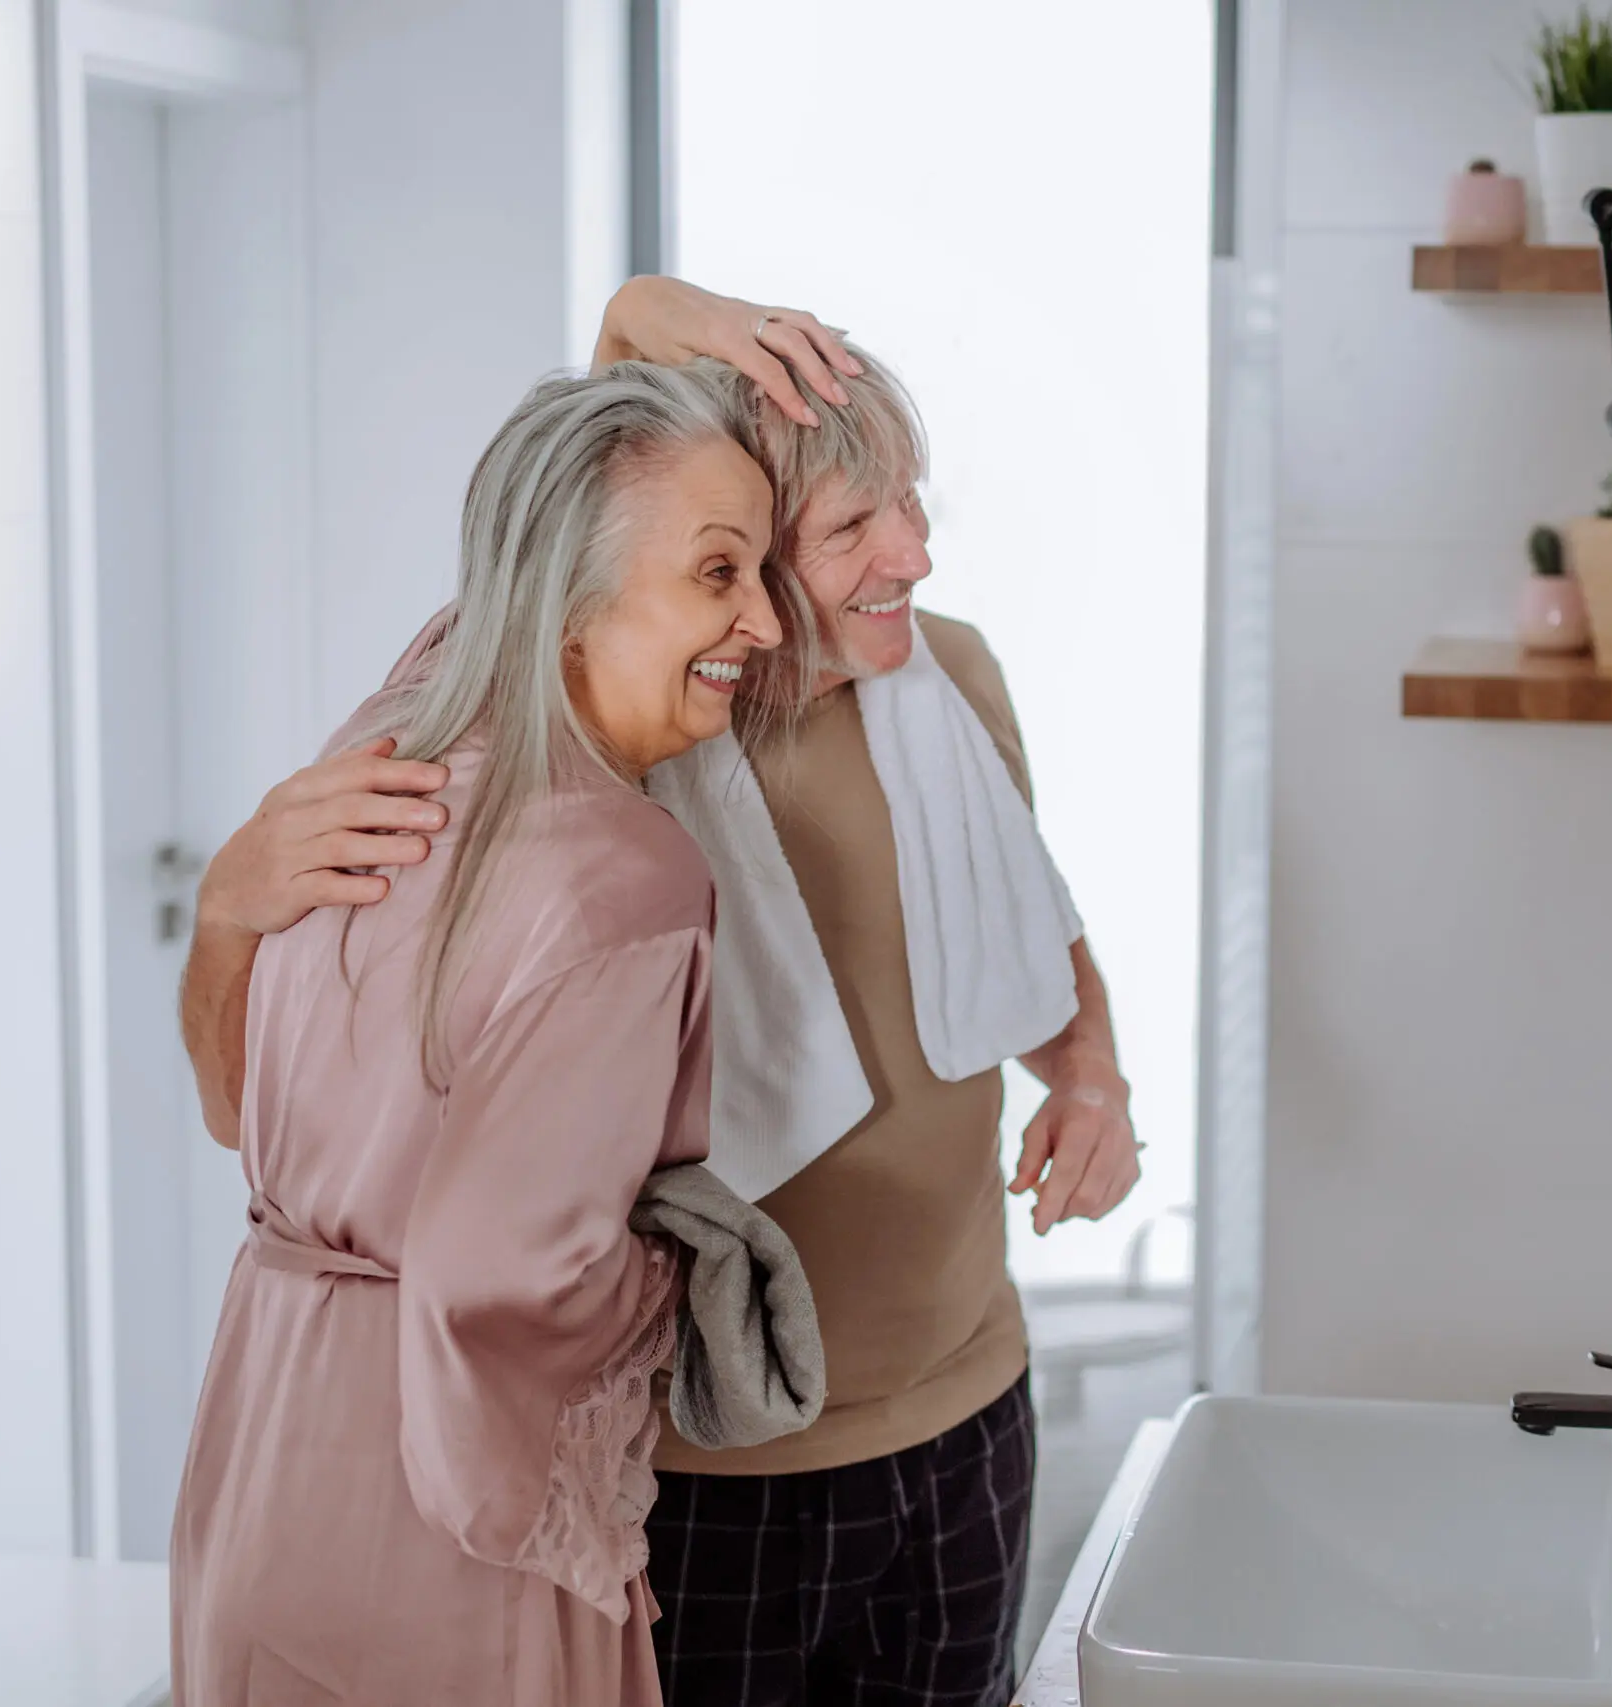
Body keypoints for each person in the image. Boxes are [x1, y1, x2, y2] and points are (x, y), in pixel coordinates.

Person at [181, 277, 1144, 1706]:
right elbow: (579, 503)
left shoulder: (952, 681)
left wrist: (1092, 1074)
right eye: (851, 526)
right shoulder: (630, 732)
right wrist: (227, 907)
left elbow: (1030, 913)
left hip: (962, 1413)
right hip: (709, 1469)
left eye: (915, 504)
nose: (916, 555)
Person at [171, 359, 798, 1706]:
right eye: (719, 572)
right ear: (572, 595)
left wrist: (224, 912)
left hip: (259, 1461)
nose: (766, 619)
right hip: (441, 1509)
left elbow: (238, 1114)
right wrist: (684, 1275)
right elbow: (505, 1279)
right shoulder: (628, 870)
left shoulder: (385, 743)